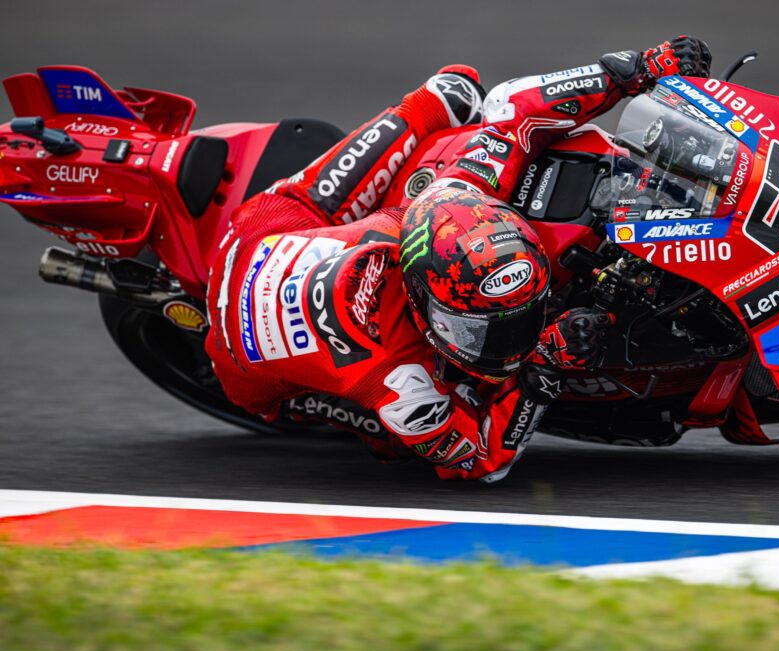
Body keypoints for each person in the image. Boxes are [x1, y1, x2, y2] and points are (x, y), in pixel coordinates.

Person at [204, 36, 713, 482]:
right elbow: (476, 463)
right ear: (422, 305)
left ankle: (426, 116)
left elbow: (514, 109)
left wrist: (639, 67)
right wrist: (544, 367)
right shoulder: (398, 380)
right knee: (393, 446)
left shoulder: (454, 195)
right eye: (479, 330)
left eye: (524, 316)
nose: (510, 342)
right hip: (251, 299)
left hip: (304, 236)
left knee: (449, 94)